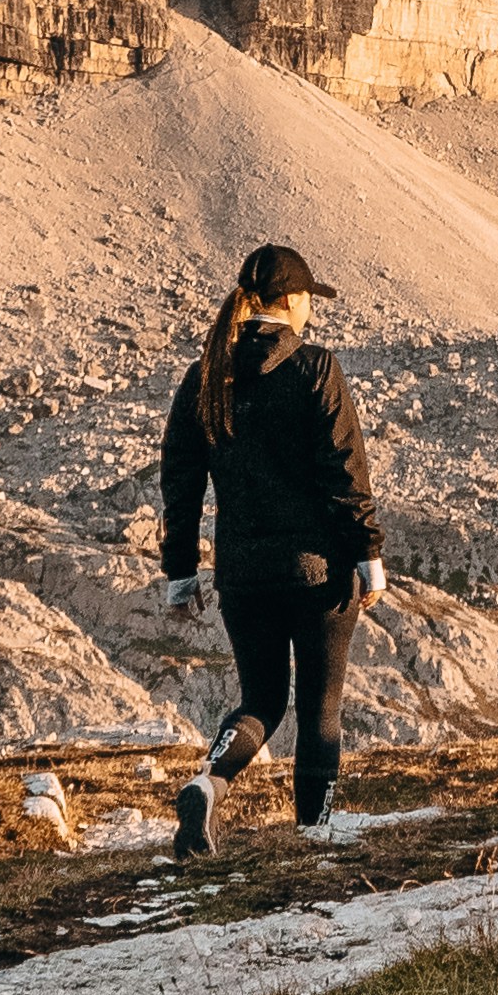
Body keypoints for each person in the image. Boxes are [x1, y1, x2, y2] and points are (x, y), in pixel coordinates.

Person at [158, 239, 387, 856]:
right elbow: (345, 470)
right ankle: (314, 833)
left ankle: (208, 783)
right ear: (290, 301)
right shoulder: (315, 367)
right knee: (320, 707)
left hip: (243, 575)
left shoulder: (206, 377)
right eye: (309, 298)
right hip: (318, 574)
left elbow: (180, 481)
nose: (311, 308)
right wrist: (368, 554)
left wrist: (181, 572)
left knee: (261, 700)